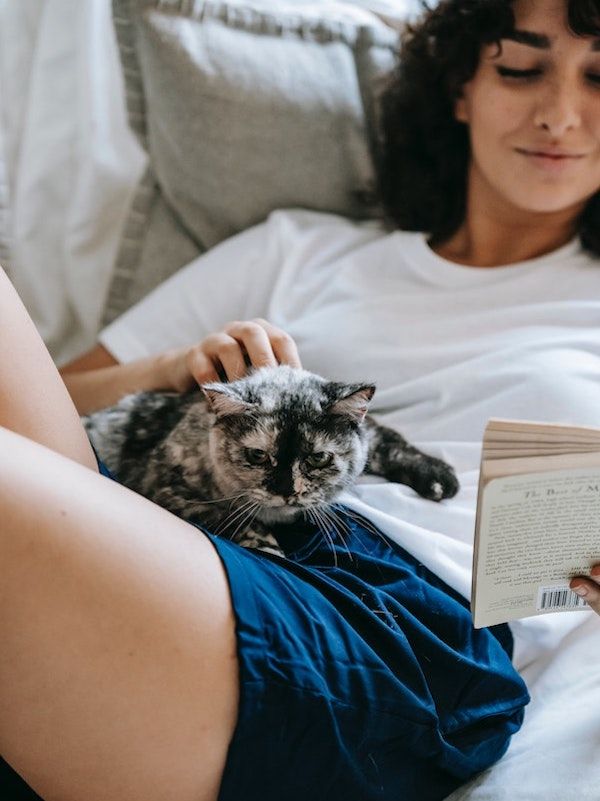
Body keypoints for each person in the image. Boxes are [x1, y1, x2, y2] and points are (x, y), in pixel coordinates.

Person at [1, 0, 599, 799]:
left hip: (398, 624)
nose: (560, 115)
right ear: (462, 88)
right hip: (187, 515)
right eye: (520, 69)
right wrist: (175, 367)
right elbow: (52, 398)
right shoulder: (300, 249)